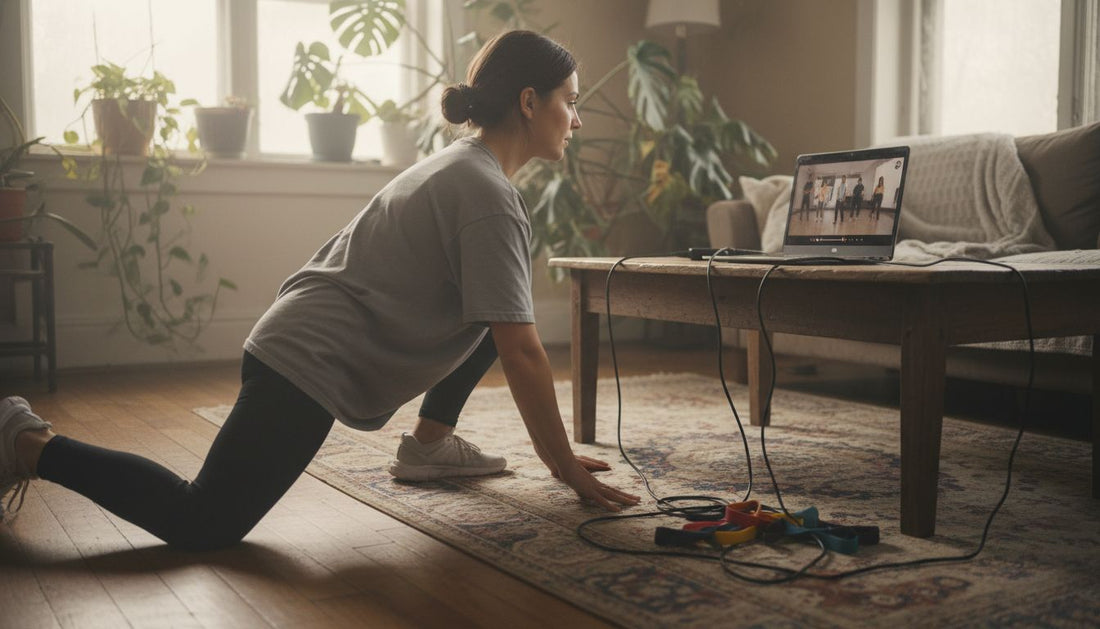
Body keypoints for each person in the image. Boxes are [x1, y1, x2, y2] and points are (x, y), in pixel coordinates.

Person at [0, 30, 640, 551]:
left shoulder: (465, 167)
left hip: (303, 336)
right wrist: (564, 466)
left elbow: (502, 323)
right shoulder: (487, 195)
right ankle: (26, 440)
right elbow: (524, 350)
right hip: (304, 362)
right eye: (570, 101)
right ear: (530, 103)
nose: (578, 120)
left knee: (497, 307)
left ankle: (428, 446)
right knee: (204, 521)